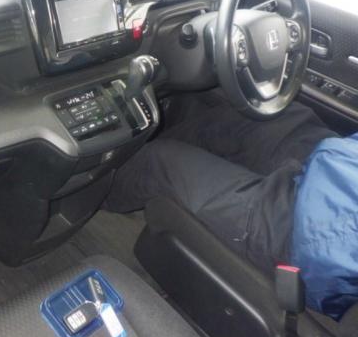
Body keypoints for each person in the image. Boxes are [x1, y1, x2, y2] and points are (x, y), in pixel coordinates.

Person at [104, 91, 358, 320]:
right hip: (339, 169)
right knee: (251, 118)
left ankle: (99, 194)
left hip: (321, 240)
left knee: (159, 163)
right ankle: (157, 158)